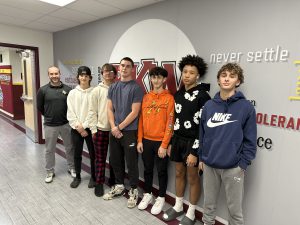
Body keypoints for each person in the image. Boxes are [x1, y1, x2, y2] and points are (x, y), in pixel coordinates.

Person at [198, 63, 257, 225]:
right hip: (209, 165)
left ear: (238, 81)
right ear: (218, 79)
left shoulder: (246, 107)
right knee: (208, 207)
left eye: (232, 76)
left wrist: (242, 164)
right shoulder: (209, 105)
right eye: (224, 75)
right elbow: (202, 134)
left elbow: (251, 140)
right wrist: (202, 158)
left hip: (233, 168)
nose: (227, 79)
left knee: (235, 212)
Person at [163, 55, 211, 225]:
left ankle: (190, 213)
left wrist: (195, 152)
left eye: (192, 72)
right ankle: (177, 207)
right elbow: (174, 119)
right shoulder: (178, 93)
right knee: (178, 173)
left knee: (193, 178)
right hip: (177, 140)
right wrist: (170, 143)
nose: (187, 75)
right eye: (185, 71)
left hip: (193, 143)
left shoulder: (204, 96)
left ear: (198, 75)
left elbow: (204, 127)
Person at [103, 57, 144, 209]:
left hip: (129, 131)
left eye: (128, 66)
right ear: (118, 68)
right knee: (115, 160)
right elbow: (109, 108)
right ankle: (119, 186)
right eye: (122, 66)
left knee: (131, 162)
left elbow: (135, 112)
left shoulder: (136, 88)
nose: (124, 68)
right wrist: (113, 127)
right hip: (115, 130)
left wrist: (118, 127)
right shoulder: (113, 87)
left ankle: (133, 190)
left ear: (132, 69)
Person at [137, 67, 174, 215]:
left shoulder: (169, 98)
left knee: (162, 171)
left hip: (160, 142)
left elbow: (170, 124)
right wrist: (139, 140)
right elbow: (140, 120)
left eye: (159, 77)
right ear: (150, 79)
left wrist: (165, 144)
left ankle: (161, 197)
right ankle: (147, 194)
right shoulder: (146, 97)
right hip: (146, 141)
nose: (156, 80)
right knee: (147, 169)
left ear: (164, 80)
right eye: (153, 77)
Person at [37, 66, 75, 183]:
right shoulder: (43, 90)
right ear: (48, 75)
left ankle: (72, 167)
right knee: (49, 150)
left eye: (56, 73)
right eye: (51, 74)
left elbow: (71, 107)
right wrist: (49, 116)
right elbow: (40, 107)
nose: (54, 76)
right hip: (50, 125)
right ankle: (49, 171)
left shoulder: (68, 90)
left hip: (65, 124)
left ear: (60, 74)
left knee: (70, 147)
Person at [88, 63, 117, 197]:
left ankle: (113, 180)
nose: (108, 73)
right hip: (100, 129)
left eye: (110, 71)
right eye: (105, 71)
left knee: (115, 158)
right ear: (102, 74)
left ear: (114, 74)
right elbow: (92, 111)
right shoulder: (96, 90)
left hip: (116, 130)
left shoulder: (118, 88)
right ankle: (99, 182)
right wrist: (93, 130)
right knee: (100, 158)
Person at [67, 66, 95, 188]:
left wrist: (84, 127)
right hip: (76, 128)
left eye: (86, 75)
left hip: (90, 128)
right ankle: (77, 177)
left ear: (90, 77)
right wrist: (79, 127)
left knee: (93, 154)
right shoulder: (72, 93)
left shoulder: (94, 92)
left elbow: (94, 112)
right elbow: (70, 112)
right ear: (78, 77)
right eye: (81, 75)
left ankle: (93, 177)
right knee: (77, 154)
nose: (84, 77)